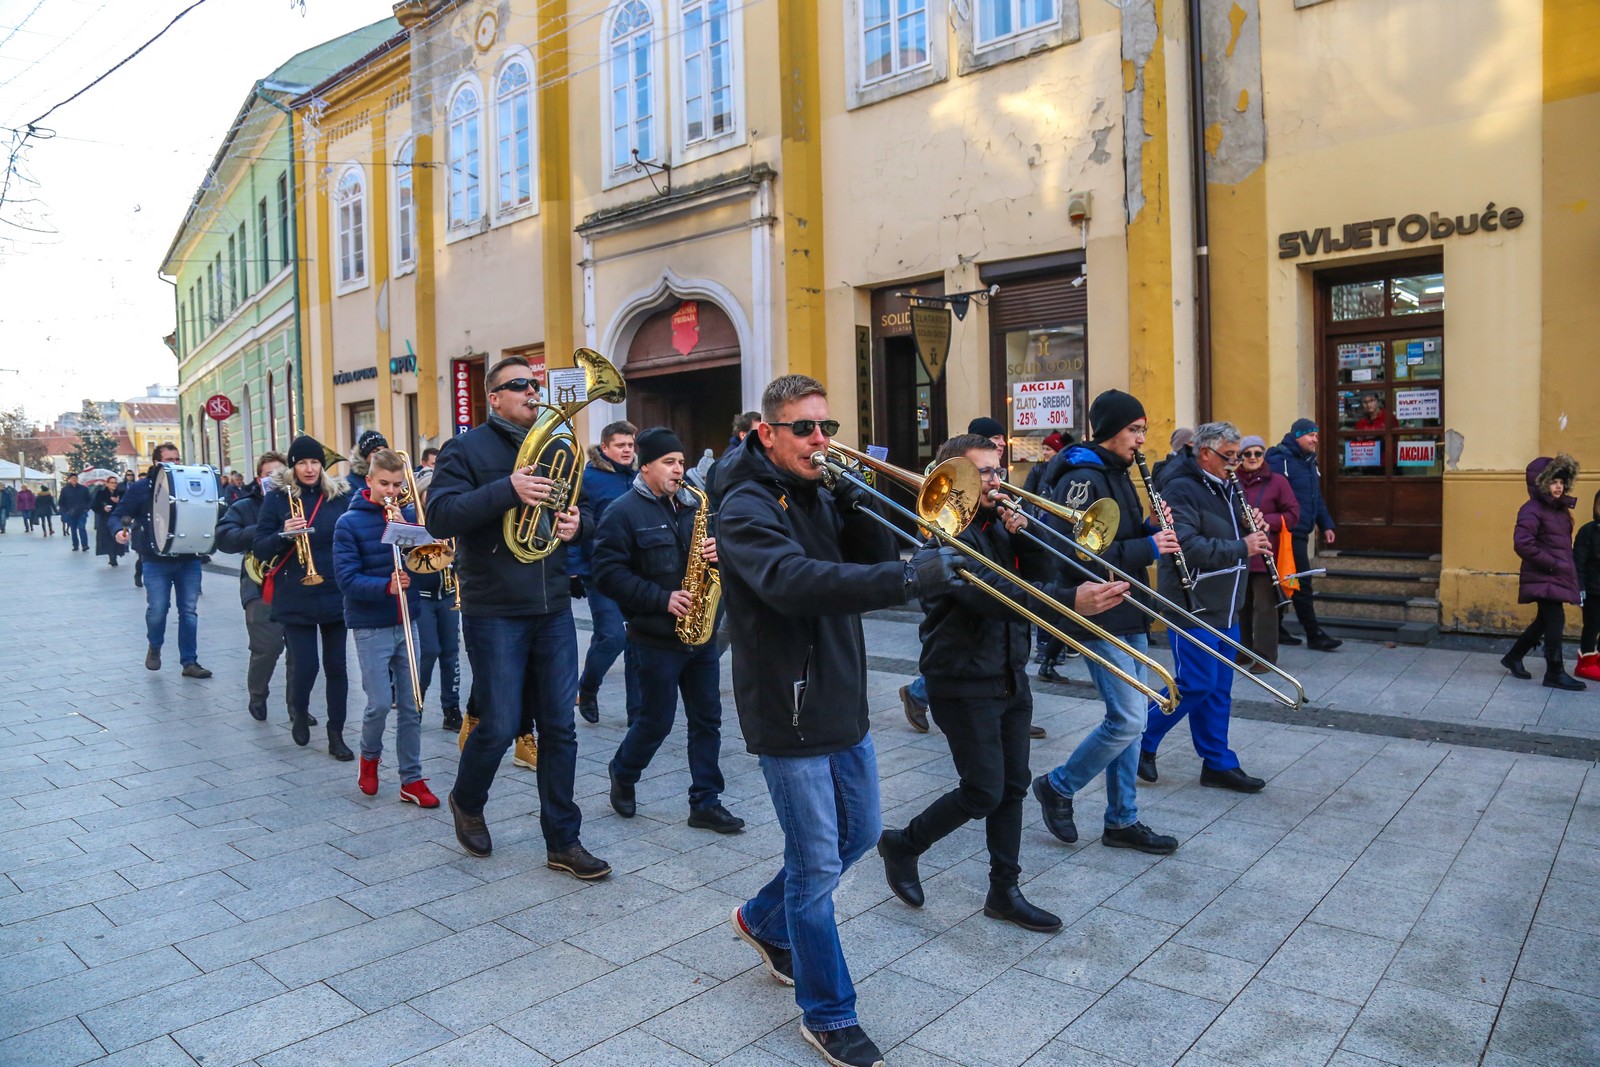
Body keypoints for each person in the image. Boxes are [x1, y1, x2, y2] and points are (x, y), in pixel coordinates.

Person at [719, 373, 963, 1067]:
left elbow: (868, 563)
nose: (820, 439)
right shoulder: (744, 504)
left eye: (826, 426)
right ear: (767, 433)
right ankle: (829, 1014)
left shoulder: (816, 488)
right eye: (804, 428)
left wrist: (860, 505)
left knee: (856, 834)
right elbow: (793, 582)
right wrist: (909, 577)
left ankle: (760, 919)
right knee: (816, 864)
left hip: (840, 694)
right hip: (788, 705)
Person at [881, 433, 1127, 936]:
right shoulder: (944, 537)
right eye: (985, 473)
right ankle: (903, 844)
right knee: (982, 791)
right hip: (961, 678)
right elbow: (994, 596)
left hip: (1010, 672)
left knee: (1013, 787)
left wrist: (1024, 539)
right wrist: (1068, 601)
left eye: (999, 470)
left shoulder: (996, 523)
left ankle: (1004, 892)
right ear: (955, 481)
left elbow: (1036, 571)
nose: (998, 481)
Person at [426, 355, 609, 879]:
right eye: (521, 385)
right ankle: (467, 798)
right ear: (495, 397)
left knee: (560, 728)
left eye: (537, 383)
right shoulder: (465, 449)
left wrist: (578, 523)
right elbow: (440, 515)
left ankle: (563, 841)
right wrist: (508, 489)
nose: (534, 392)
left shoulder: (560, 444)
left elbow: (582, 507)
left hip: (552, 605)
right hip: (494, 608)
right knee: (502, 723)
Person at [1031, 390, 1182, 856]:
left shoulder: (1117, 471)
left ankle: (1122, 819)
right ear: (1112, 430)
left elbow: (1118, 538)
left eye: (1143, 430)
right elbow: (1074, 553)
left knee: (1131, 723)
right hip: (1098, 610)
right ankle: (1058, 785)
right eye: (1134, 430)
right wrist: (1149, 548)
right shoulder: (1082, 477)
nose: (1140, 440)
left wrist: (1151, 528)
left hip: (1128, 606)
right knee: (1128, 718)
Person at [592, 426, 744, 833]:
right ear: (645, 467)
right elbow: (606, 574)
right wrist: (661, 599)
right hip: (654, 638)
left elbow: (717, 561)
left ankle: (706, 802)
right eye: (669, 462)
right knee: (655, 722)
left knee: (707, 720)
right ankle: (623, 771)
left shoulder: (696, 507)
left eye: (681, 461)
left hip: (701, 635)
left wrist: (720, 553)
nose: (679, 469)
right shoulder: (622, 512)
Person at [1137, 422, 1273, 792]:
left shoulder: (1226, 485)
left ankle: (1217, 763)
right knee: (1195, 683)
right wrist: (1243, 546)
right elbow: (1188, 547)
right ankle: (1141, 738)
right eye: (1229, 457)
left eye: (1238, 456)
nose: (1236, 464)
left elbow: (1228, 532)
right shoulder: (1180, 488)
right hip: (1192, 603)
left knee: (1218, 689)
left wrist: (1250, 526)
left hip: (1227, 602)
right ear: (1205, 453)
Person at [334, 447, 440, 807]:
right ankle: (369, 757)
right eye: (384, 484)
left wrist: (412, 537)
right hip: (371, 625)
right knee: (379, 703)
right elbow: (346, 579)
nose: (391, 491)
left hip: (407, 619)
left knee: (413, 704)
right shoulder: (349, 523)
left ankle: (412, 778)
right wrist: (386, 586)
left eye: (396, 485)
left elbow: (425, 564)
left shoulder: (407, 516)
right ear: (369, 481)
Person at [253, 435, 355, 757]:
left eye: (314, 462)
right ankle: (299, 710)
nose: (309, 469)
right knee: (306, 665)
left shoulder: (338, 496)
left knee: (337, 666)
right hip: (295, 592)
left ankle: (336, 733)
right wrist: (283, 534)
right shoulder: (277, 498)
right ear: (292, 466)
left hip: (334, 589)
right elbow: (260, 546)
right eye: (302, 463)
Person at [114, 443, 211, 678]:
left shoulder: (188, 483)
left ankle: (189, 662)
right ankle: (155, 645)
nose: (175, 464)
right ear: (157, 462)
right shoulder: (141, 488)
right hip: (155, 559)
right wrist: (119, 530)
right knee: (158, 609)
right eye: (169, 460)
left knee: (188, 610)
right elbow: (120, 513)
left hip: (188, 557)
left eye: (177, 459)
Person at [215, 452, 295, 724]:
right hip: (260, 584)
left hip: (295, 583)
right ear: (259, 478)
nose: (275, 479)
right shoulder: (245, 506)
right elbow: (224, 538)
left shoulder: (299, 502)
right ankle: (258, 694)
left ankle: (297, 706)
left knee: (299, 652)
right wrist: (263, 529)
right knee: (268, 647)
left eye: (280, 474)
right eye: (268, 475)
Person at [571, 420, 638, 725]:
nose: (627, 450)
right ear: (605, 447)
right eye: (620, 445)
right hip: (600, 570)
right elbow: (576, 523)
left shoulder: (637, 477)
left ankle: (637, 713)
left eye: (630, 445)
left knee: (637, 640)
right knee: (612, 636)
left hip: (636, 571)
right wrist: (574, 570)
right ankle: (587, 687)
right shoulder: (588, 478)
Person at [1500, 455, 1586, 691]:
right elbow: (1523, 544)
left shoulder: (1559, 509)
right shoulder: (1531, 510)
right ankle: (1554, 672)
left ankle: (1514, 656)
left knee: (1544, 620)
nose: (1558, 487)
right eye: (1553, 482)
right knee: (1555, 619)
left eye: (1561, 482)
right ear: (1540, 483)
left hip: (1555, 574)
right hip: (1544, 574)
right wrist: (1552, 563)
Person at [1265, 418, 1341, 652]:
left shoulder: (1308, 461)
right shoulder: (1279, 460)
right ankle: (1313, 633)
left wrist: (1326, 525)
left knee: (1286, 580)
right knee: (1300, 581)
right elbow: (1271, 495)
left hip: (1300, 531)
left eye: (1316, 435)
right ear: (1297, 436)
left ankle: (1276, 628)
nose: (1315, 440)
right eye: (1310, 435)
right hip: (1285, 533)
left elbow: (1315, 498)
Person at [1234, 435, 1299, 670]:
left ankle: (1264, 657)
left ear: (1264, 455)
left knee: (1264, 608)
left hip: (1266, 554)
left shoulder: (1278, 482)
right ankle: (1242, 651)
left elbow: (1293, 514)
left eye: (1258, 453)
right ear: (1240, 457)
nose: (1253, 458)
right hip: (1239, 551)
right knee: (1240, 606)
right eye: (1247, 454)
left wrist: (1265, 521)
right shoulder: (1231, 480)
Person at [1574, 490, 1600, 683]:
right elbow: (1578, 562)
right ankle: (1585, 663)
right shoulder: (1588, 531)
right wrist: (1579, 587)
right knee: (1592, 625)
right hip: (1592, 590)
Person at [92, 476, 126, 566]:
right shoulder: (101, 494)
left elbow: (126, 505)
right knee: (108, 538)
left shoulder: (120, 493)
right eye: (112, 482)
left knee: (116, 537)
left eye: (115, 483)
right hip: (105, 519)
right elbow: (94, 506)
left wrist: (118, 501)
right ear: (107, 484)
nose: (114, 484)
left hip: (117, 519)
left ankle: (115, 554)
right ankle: (112, 556)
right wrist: (103, 508)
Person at [346, 430, 388, 495]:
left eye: (385, 451)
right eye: (375, 451)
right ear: (364, 455)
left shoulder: (390, 475)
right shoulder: (350, 485)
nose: (382, 455)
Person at [58, 474, 91, 551]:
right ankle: (75, 545)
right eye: (72, 478)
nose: (74, 480)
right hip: (71, 512)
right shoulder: (65, 490)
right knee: (73, 529)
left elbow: (89, 499)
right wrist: (65, 511)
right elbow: (61, 502)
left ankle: (85, 545)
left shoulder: (83, 489)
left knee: (82, 527)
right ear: (69, 479)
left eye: (75, 478)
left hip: (82, 511)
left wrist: (87, 508)